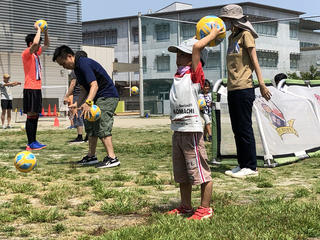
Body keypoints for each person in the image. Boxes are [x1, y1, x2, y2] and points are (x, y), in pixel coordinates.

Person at [167, 25, 224, 220]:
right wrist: (196, 36)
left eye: (183, 54)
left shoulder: (194, 76)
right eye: (178, 54)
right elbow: (196, 47)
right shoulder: (179, 75)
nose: (178, 57)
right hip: (178, 131)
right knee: (182, 173)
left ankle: (205, 208)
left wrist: (212, 35)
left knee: (200, 171)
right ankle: (185, 206)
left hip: (191, 131)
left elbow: (198, 48)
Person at [219, 4, 272, 178]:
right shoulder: (231, 37)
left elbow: (255, 61)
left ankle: (251, 167)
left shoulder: (246, 35)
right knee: (236, 128)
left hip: (244, 87)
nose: (224, 22)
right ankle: (242, 164)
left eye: (226, 19)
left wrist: (262, 84)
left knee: (244, 128)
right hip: (233, 88)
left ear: (233, 19)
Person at [52, 45, 120, 168]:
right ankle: (91, 156)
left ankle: (112, 158)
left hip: (107, 96)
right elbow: (84, 90)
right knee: (90, 125)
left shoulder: (83, 63)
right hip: (96, 97)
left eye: (63, 63)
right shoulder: (77, 68)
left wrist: (88, 103)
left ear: (69, 56)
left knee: (101, 125)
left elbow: (94, 85)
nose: (64, 66)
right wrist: (76, 104)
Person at [22, 22, 49, 150]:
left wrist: (45, 31)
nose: (38, 46)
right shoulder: (26, 53)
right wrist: (38, 29)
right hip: (30, 87)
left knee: (35, 115)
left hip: (36, 88)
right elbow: (36, 44)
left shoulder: (36, 54)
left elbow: (46, 45)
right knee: (31, 115)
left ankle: (33, 141)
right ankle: (30, 143)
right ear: (30, 44)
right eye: (35, 43)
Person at [64, 68, 88, 143]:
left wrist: (67, 96)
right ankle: (88, 136)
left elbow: (73, 84)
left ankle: (80, 136)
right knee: (86, 115)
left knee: (77, 115)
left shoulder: (75, 71)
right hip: (87, 94)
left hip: (78, 94)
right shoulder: (85, 70)